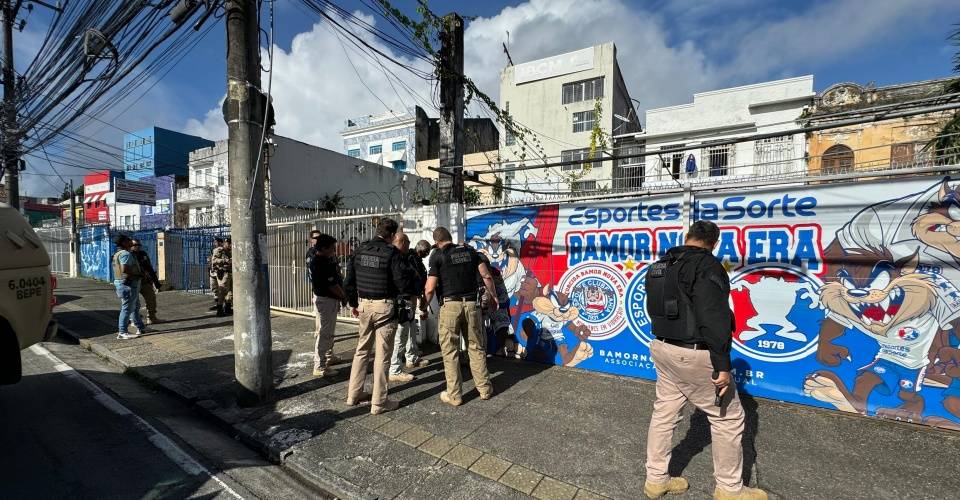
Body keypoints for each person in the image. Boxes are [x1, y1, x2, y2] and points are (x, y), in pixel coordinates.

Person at [643, 221, 766, 500]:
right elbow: (715, 317)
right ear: (714, 243)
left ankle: (655, 480)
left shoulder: (660, 265)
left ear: (687, 237)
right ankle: (729, 489)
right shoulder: (708, 266)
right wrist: (722, 365)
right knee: (729, 419)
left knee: (664, 413)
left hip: (662, 348)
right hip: (695, 353)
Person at [424, 227, 498, 406]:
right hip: (472, 304)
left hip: (450, 306)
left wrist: (422, 306)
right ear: (450, 237)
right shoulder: (470, 251)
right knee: (476, 347)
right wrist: (494, 297)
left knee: (450, 351)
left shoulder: (438, 256)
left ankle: (455, 395)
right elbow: (486, 276)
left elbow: (430, 288)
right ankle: (485, 389)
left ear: (437, 242)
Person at [344, 217, 409, 415]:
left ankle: (353, 396)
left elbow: (349, 281)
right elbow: (402, 283)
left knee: (361, 350)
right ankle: (379, 403)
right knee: (382, 356)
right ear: (391, 235)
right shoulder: (392, 253)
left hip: (363, 305)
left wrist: (354, 304)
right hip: (384, 308)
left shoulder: (359, 250)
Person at [388, 235, 430, 383]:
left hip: (409, 300)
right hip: (403, 300)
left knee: (410, 330)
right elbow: (410, 281)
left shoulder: (411, 258)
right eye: (427, 252)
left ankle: (412, 358)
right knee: (401, 335)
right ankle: (395, 369)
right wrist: (420, 297)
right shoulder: (405, 258)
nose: (427, 255)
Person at [309, 233, 347, 378]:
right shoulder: (320, 262)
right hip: (326, 300)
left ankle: (326, 359)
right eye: (332, 248)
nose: (334, 250)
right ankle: (319, 366)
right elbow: (331, 285)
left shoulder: (325, 260)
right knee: (324, 334)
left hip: (329, 300)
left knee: (328, 332)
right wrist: (343, 296)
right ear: (324, 248)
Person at [113, 235, 148, 340]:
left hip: (126, 284)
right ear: (124, 243)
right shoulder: (125, 254)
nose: (131, 242)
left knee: (135, 307)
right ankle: (122, 332)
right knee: (127, 308)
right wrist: (139, 275)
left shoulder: (117, 254)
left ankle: (140, 327)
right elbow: (125, 269)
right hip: (128, 285)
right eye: (128, 240)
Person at [130, 239, 162, 324]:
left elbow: (149, 268)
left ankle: (152, 317)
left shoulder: (143, 254)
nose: (137, 247)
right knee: (134, 303)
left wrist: (156, 283)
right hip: (134, 282)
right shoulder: (128, 255)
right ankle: (134, 321)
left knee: (151, 299)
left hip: (144, 281)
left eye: (138, 245)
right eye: (135, 245)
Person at [211, 237, 233, 317]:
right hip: (223, 273)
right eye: (229, 243)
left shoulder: (231, 250)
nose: (230, 245)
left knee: (231, 291)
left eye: (231, 244)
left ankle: (228, 307)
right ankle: (219, 309)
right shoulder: (219, 250)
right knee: (222, 291)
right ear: (225, 243)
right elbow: (214, 260)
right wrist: (225, 261)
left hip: (230, 273)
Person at [208, 237, 224, 311]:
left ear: (220, 242)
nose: (215, 243)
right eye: (214, 242)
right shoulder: (213, 250)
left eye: (216, 242)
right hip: (212, 272)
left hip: (219, 272)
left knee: (221, 288)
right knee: (214, 288)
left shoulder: (222, 250)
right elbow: (211, 259)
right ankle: (217, 303)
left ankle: (222, 304)